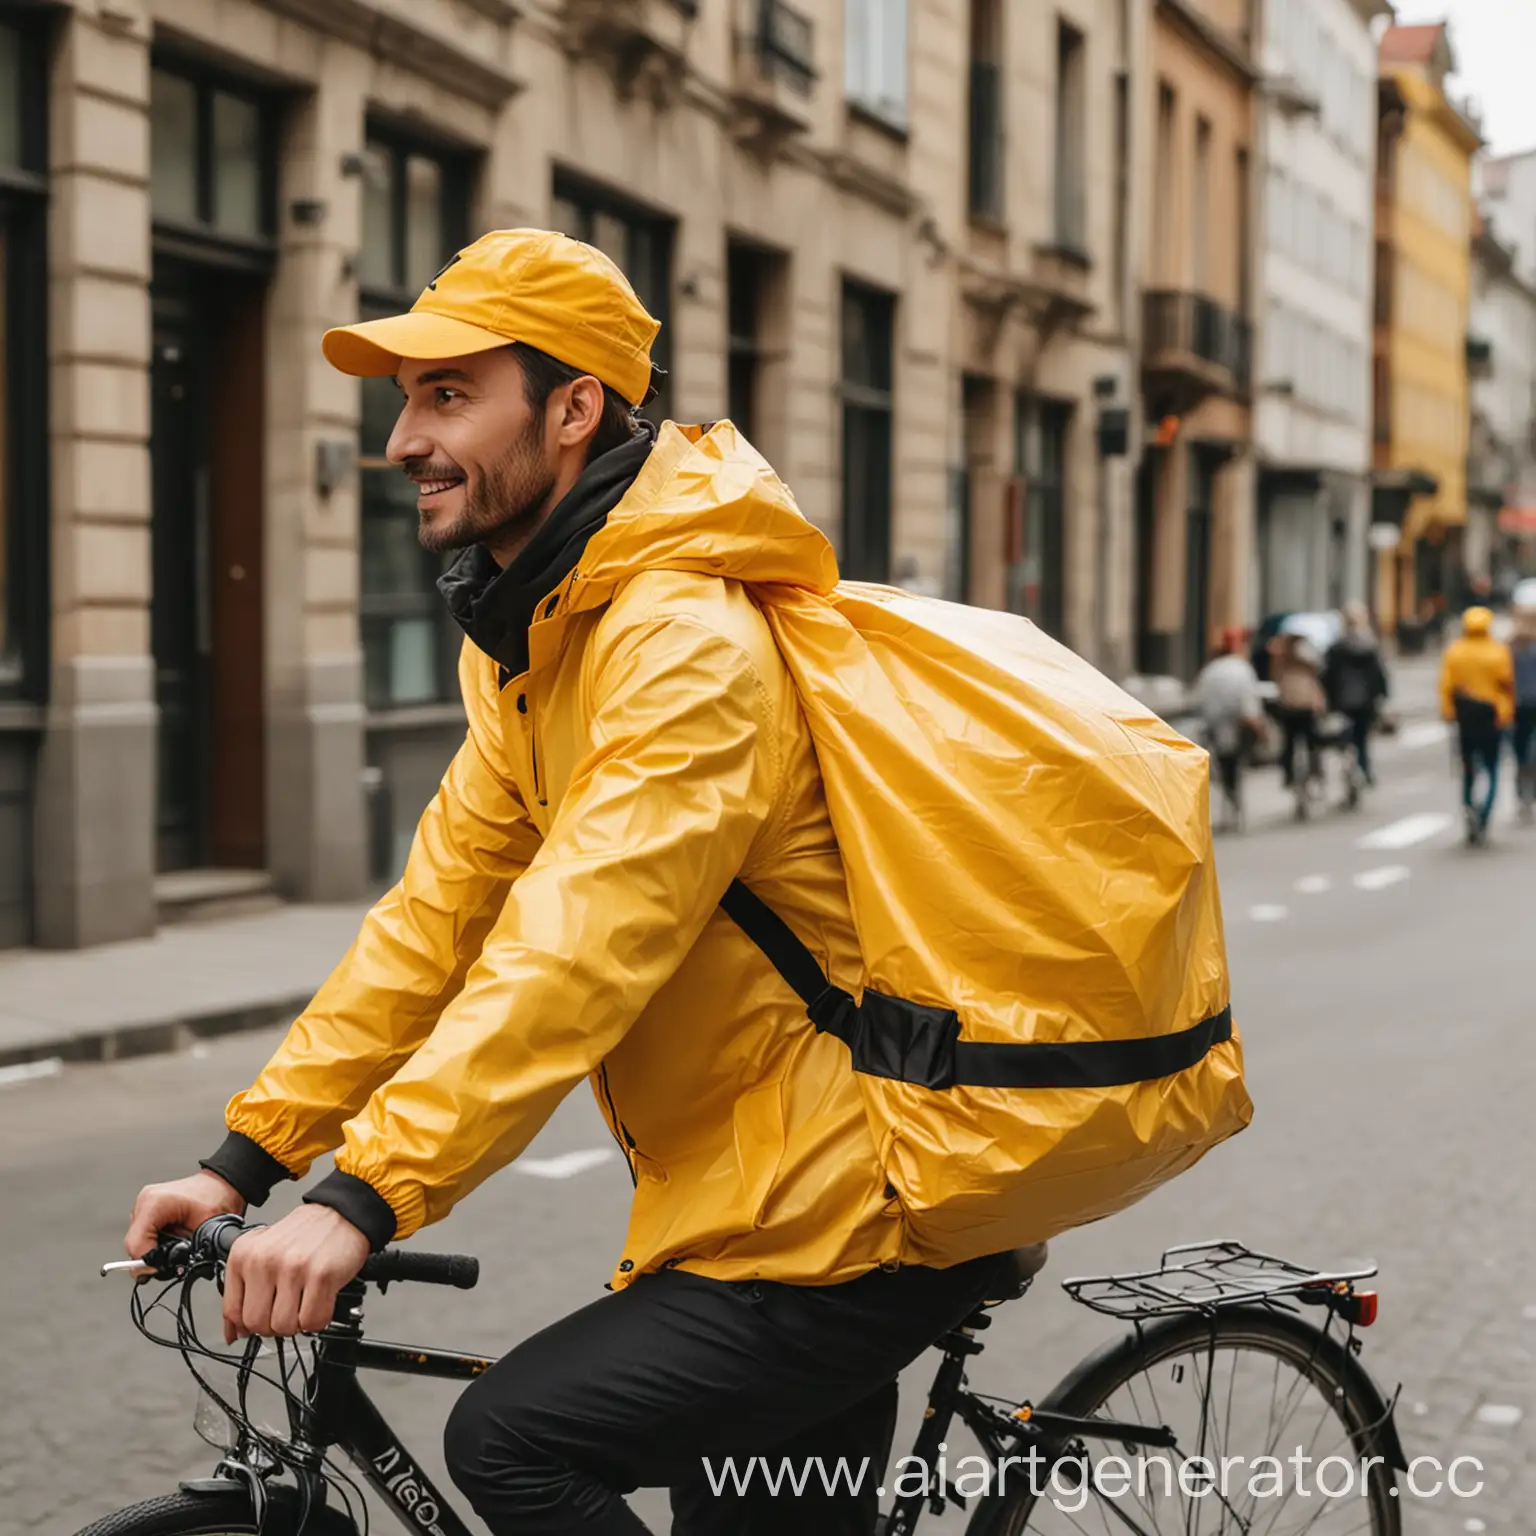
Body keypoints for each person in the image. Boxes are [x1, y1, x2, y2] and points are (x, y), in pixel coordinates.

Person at [120, 229, 1019, 1536]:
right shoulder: (538, 641)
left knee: (515, 1442)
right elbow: (434, 932)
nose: (401, 444)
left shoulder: (684, 649)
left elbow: (578, 949)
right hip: (754, 1209)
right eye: (402, 403)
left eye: (446, 396)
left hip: (848, 1213)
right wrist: (250, 1157)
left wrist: (365, 1196)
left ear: (572, 409)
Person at [1439, 605, 1515, 845]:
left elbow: (1446, 686)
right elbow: (1507, 685)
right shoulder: (1498, 651)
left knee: (1468, 769)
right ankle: (1483, 815)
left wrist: (1449, 712)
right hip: (1493, 718)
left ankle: (1469, 807)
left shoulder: (1455, 651)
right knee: (1492, 768)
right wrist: (1506, 713)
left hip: (1466, 718)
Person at [1195, 627, 1264, 831]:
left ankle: (1229, 804)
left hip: (1214, 726)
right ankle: (1235, 807)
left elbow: (1199, 699)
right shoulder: (1241, 669)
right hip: (1237, 726)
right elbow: (1248, 703)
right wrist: (1258, 727)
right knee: (1235, 766)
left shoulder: (1210, 670)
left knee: (1223, 767)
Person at [1322, 602, 1389, 788]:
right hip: (1366, 700)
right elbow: (1379, 674)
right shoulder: (1370, 646)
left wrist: (1328, 697)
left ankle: (1348, 765)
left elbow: (1328, 674)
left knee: (1345, 736)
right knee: (1363, 738)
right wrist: (1382, 694)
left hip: (1342, 700)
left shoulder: (1336, 647)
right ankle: (1364, 769)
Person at [1268, 628, 1326, 790]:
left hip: (1289, 705)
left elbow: (1275, 678)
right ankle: (1315, 772)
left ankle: (1290, 775)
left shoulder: (1282, 660)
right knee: (1311, 741)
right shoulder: (1306, 660)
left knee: (1290, 742)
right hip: (1305, 705)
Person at [1511, 604, 1536, 823]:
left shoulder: (1511, 647)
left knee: (1521, 754)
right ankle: (1527, 792)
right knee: (1527, 753)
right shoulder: (1512, 648)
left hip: (1517, 707)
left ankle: (1524, 793)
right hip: (1524, 707)